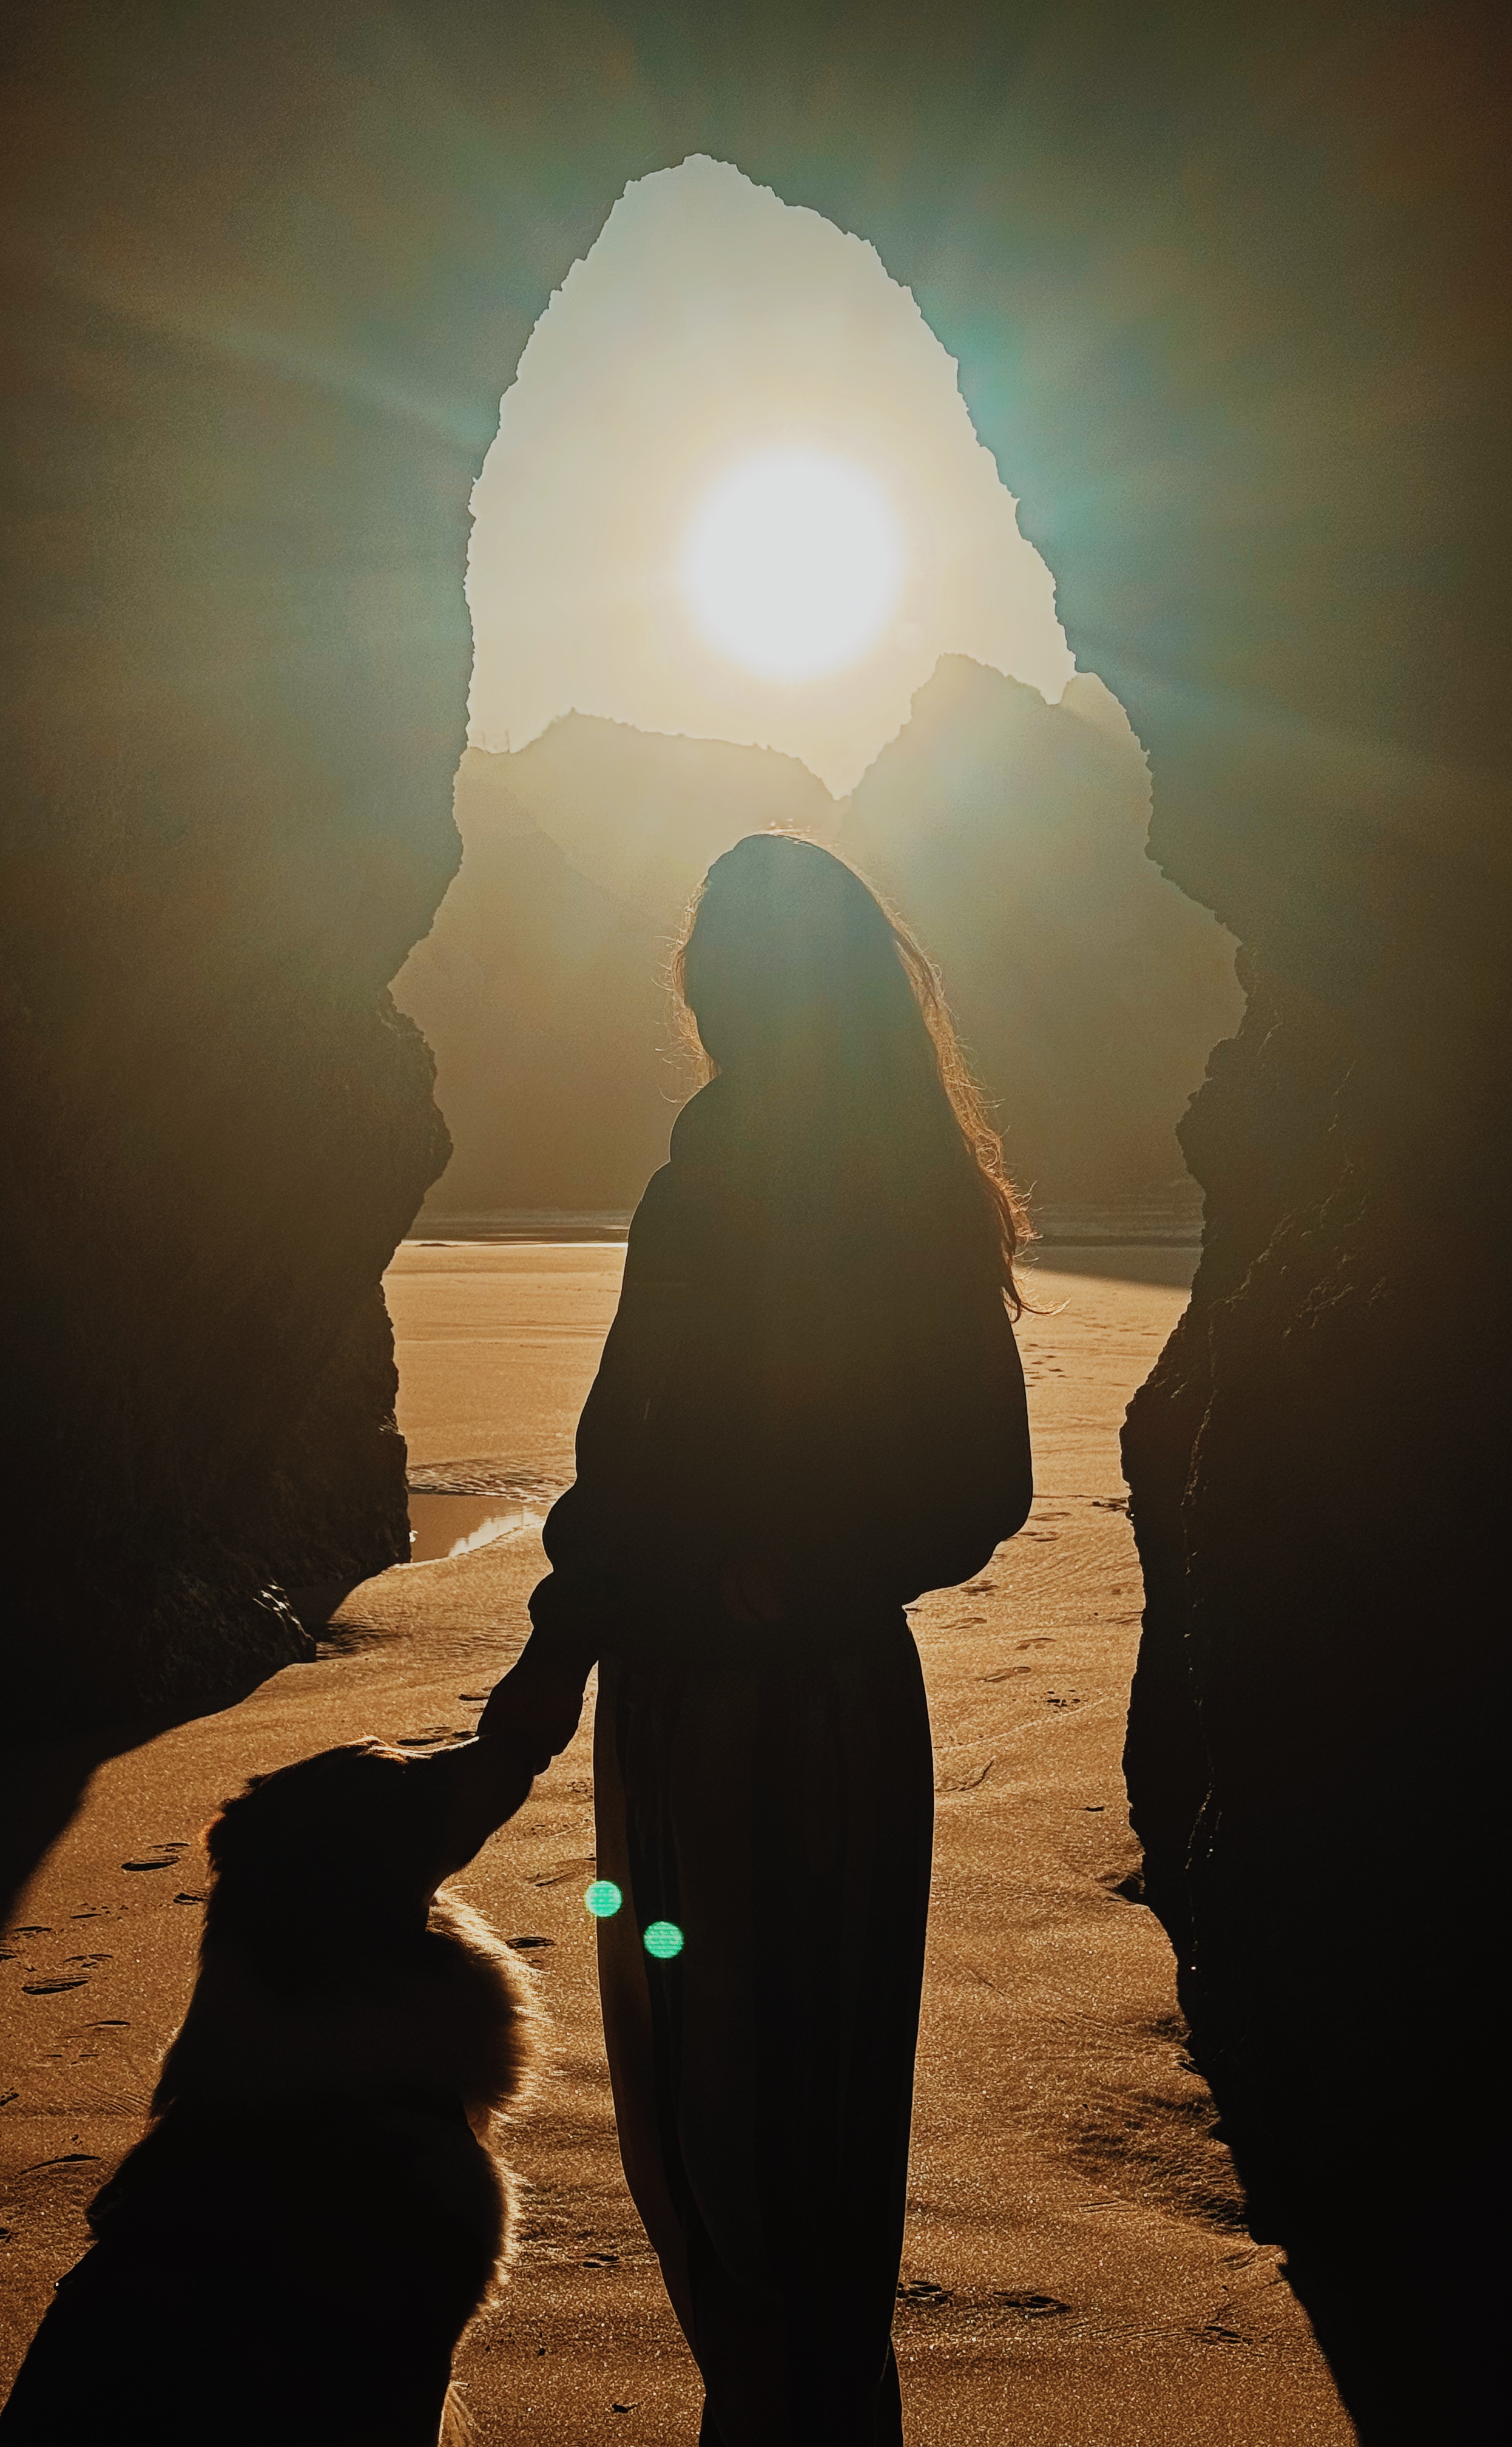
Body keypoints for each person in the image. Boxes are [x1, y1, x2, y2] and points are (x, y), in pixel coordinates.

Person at [479, 833, 1033, 2445]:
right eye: (706, 951)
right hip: (660, 1713)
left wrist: (790, 1578)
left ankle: (809, 2418)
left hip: (818, 1724)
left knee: (797, 2128)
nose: (717, 981)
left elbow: (978, 1486)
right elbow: (619, 1462)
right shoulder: (694, 1179)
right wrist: (551, 1665)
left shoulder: (901, 1192)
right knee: (681, 2121)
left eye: (747, 954)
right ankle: (772, 2412)